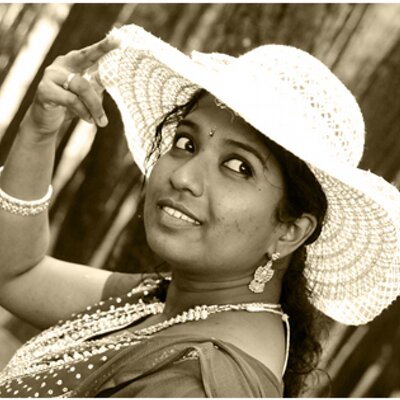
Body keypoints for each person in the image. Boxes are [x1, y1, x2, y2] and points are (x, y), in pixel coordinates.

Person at [0, 23, 399, 398]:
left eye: (239, 167)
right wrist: (40, 131)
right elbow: (16, 274)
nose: (183, 177)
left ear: (290, 230)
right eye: (186, 143)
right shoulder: (171, 301)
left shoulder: (201, 384)